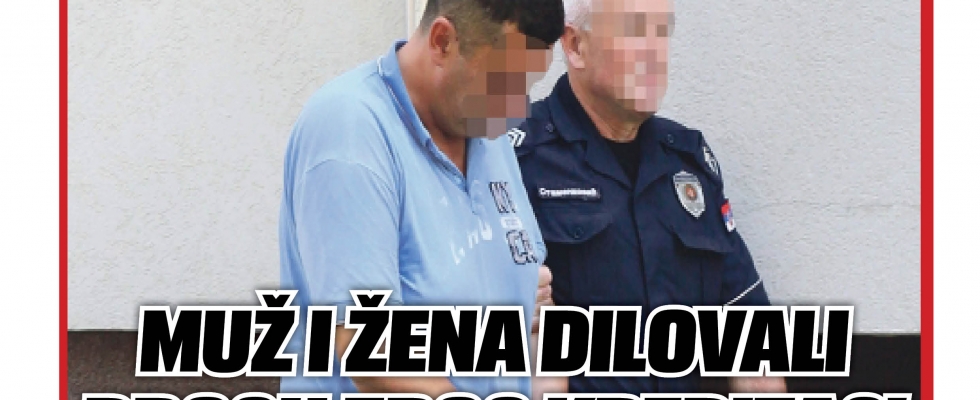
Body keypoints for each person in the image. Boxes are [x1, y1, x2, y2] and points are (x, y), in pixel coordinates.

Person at [278, 0, 567, 397]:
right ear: (442, 41)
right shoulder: (350, 132)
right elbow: (372, 352)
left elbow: (535, 311)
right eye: (504, 81)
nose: (517, 108)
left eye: (527, 85)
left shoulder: (487, 130)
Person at [511, 0, 787, 394]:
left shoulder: (688, 162)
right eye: (635, 30)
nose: (655, 51)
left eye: (662, 32)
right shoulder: (516, 161)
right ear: (575, 46)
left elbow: (751, 341)